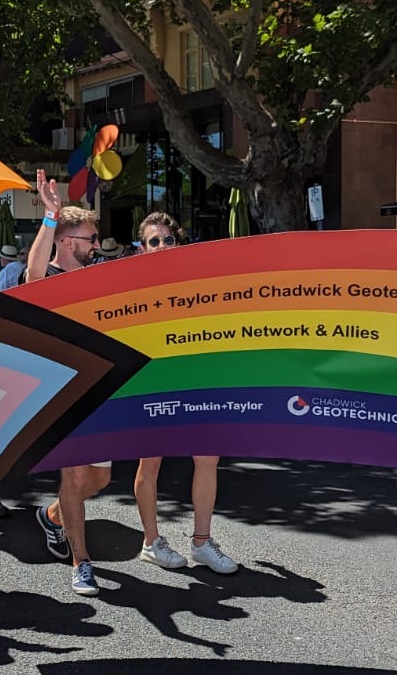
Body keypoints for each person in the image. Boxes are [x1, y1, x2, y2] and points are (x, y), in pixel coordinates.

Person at [128, 211, 241, 574]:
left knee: (208, 458)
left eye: (168, 239)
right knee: (150, 463)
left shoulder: (197, 282)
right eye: (153, 241)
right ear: (142, 249)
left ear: (179, 243)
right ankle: (151, 542)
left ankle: (202, 543)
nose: (162, 246)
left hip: (195, 380)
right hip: (151, 382)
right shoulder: (127, 286)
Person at [25, 169, 111, 596]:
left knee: (99, 480)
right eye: (89, 239)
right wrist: (50, 215)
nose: (96, 245)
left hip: (103, 392)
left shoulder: (100, 277)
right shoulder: (50, 278)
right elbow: (33, 277)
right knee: (75, 478)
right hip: (62, 392)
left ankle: (53, 515)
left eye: (96, 238)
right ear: (66, 241)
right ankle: (82, 563)